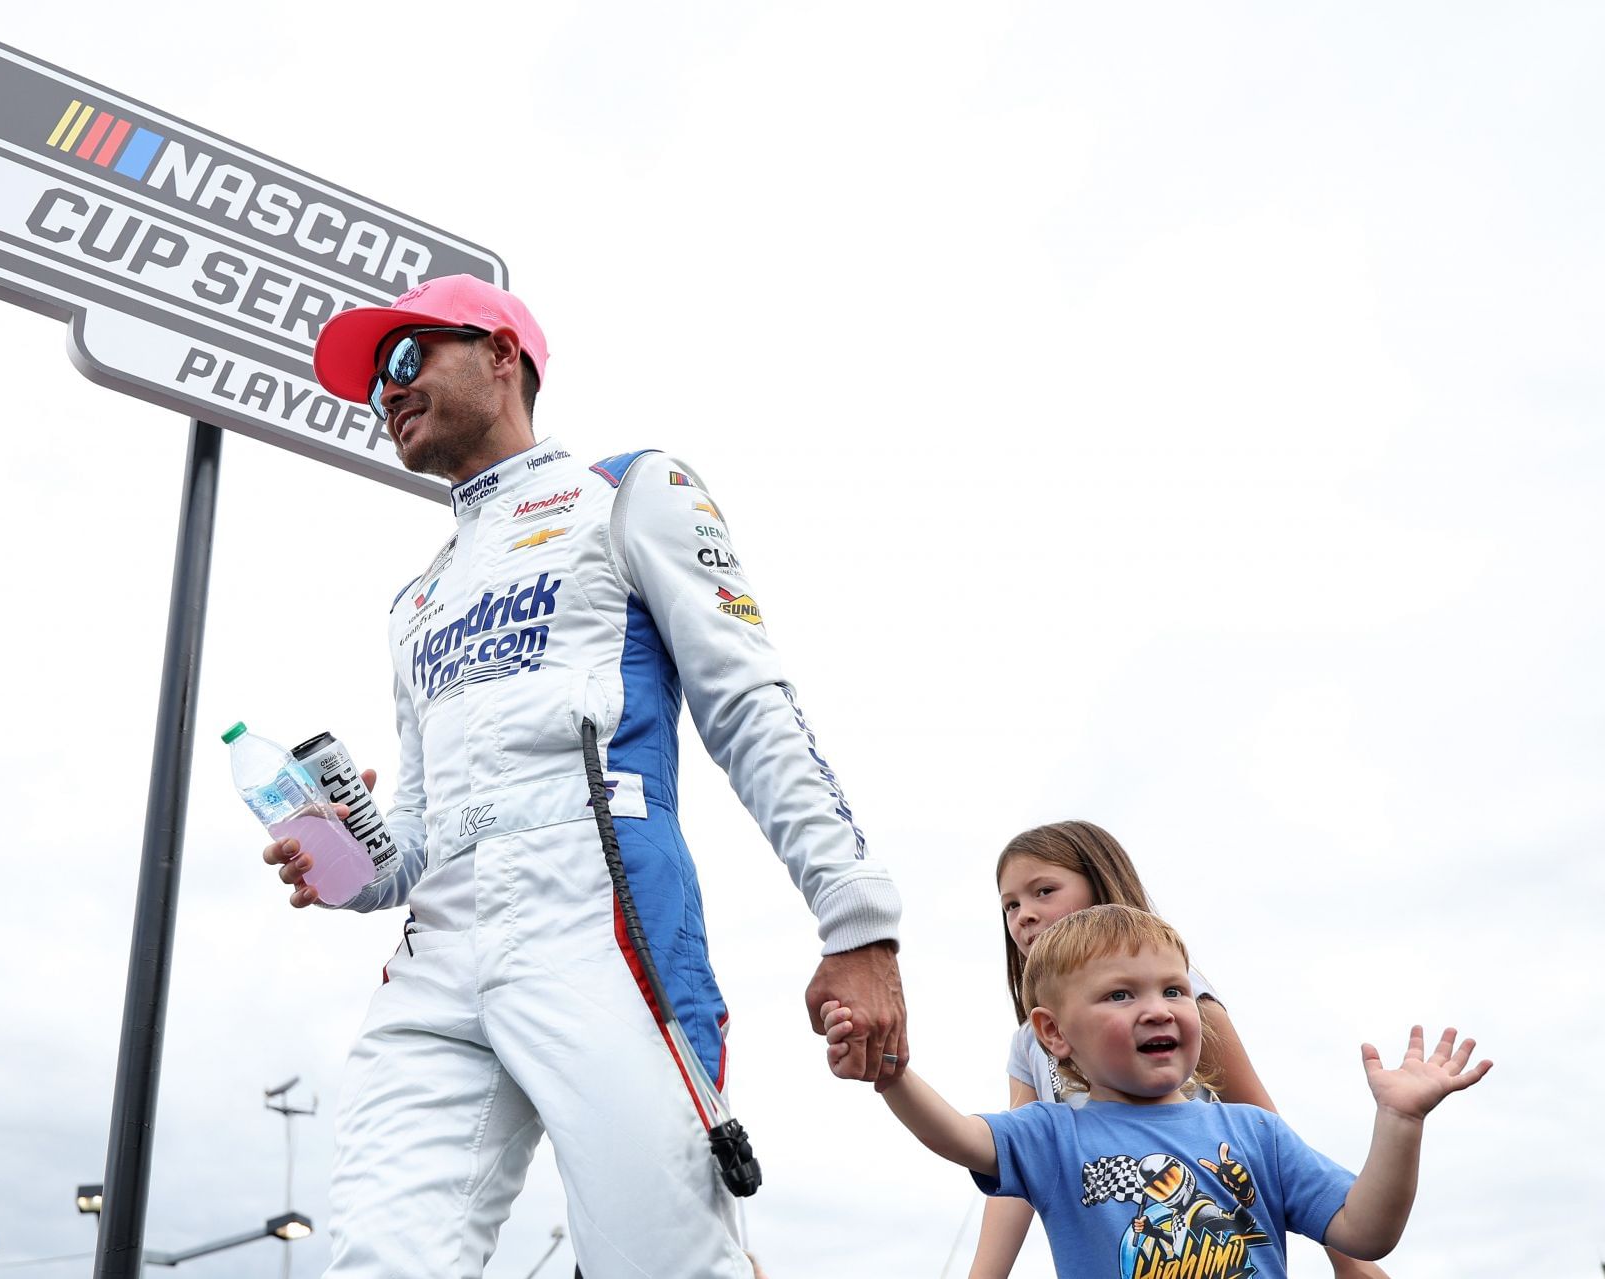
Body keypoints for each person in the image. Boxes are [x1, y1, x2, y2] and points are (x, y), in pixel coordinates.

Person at [265, 273, 906, 1278]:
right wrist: (348, 863)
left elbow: (751, 704)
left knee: (660, 1264)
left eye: (405, 357)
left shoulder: (631, 490)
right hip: (438, 954)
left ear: (502, 356)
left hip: (600, 917)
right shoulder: (416, 600)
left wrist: (855, 917)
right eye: (370, 382)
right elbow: (417, 835)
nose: (384, 390)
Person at [822, 904, 1490, 1276]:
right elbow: (962, 1135)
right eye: (1121, 994)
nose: (1158, 1008)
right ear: (1054, 1033)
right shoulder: (1058, 1134)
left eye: (1174, 989)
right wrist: (894, 1074)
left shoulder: (1252, 1133)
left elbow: (1365, 1230)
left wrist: (1400, 1125)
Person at [976, 821, 1390, 1278]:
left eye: (1044, 891)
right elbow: (1013, 1165)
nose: (1024, 915)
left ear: (1100, 886)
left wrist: (1351, 1262)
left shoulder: (1181, 999)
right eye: (1010, 905)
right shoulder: (1028, 1042)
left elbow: (1261, 1120)